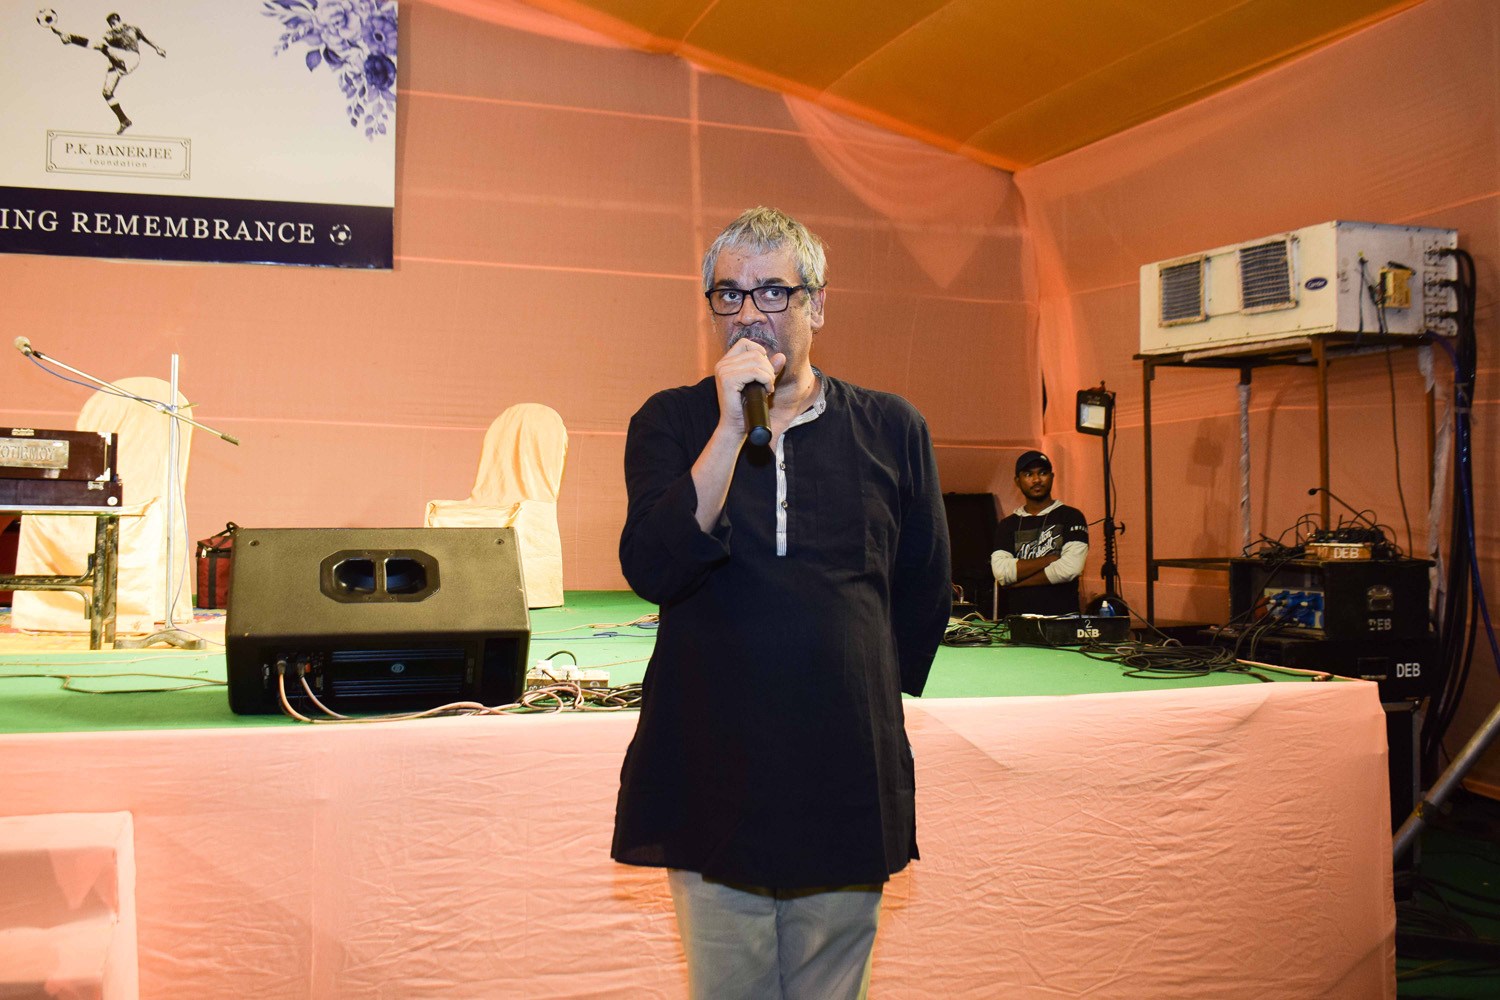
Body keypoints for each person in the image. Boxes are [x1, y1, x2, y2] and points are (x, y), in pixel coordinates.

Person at [614, 206, 952, 1000]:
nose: (749, 314)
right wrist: (732, 426)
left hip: (844, 765)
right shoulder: (672, 422)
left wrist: (854, 684)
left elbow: (923, 586)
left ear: (817, 305)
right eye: (729, 295)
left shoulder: (893, 427)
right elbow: (654, 564)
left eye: (773, 292)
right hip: (711, 764)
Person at [990, 450, 1090, 616]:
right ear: (1017, 481)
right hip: (1019, 621)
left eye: (1043, 473)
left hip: (1063, 620)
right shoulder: (1007, 525)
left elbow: (1069, 569)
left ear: (1052, 477)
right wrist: (1049, 559)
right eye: (1028, 474)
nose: (1036, 480)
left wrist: (1019, 582)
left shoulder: (1072, 516)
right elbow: (1002, 572)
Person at [53, 12, 165, 135]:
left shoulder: (132, 29)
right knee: (106, 93)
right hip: (117, 64)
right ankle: (124, 120)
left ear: (120, 21)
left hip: (130, 58)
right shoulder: (109, 34)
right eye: (111, 24)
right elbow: (94, 42)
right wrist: (63, 35)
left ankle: (71, 38)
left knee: (102, 47)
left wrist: (157, 48)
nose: (113, 26)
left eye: (114, 23)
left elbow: (145, 38)